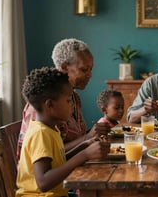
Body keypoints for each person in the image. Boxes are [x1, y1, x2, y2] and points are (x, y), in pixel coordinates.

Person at [16, 67, 110, 196]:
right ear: (49, 105)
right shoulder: (40, 134)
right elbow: (43, 182)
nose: (72, 104)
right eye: (68, 100)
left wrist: (84, 145)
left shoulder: (50, 129)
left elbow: (57, 162)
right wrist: (85, 155)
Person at [17, 38, 110, 156]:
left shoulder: (74, 98)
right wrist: (87, 137)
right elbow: (46, 154)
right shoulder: (41, 105)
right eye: (84, 69)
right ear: (65, 67)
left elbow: (73, 139)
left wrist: (93, 133)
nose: (89, 75)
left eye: (90, 69)